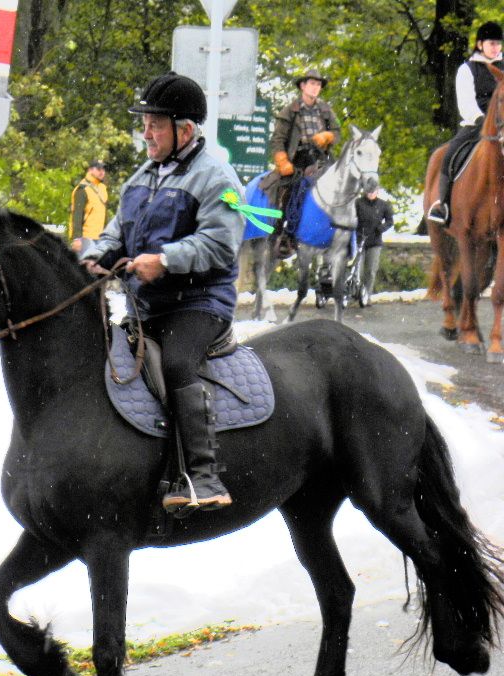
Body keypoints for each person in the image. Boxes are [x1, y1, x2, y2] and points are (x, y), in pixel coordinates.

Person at [81, 72, 244, 514]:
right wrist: (96, 256)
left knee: (175, 363)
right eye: (146, 123)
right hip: (145, 302)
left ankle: (203, 475)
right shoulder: (143, 176)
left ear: (184, 130)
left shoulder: (218, 178)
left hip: (199, 303)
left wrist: (166, 260)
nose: (146, 133)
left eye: (155, 124)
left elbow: (219, 243)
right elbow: (117, 231)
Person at [427, 21, 503, 224]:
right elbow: (466, 102)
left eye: (498, 43)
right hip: (476, 124)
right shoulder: (467, 69)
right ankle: (442, 204)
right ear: (480, 44)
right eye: (491, 43)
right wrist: (481, 120)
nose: (495, 47)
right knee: (450, 154)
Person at [260, 68, 341, 254]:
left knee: (344, 185)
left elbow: (337, 133)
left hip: (321, 157)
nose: (315, 88)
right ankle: (283, 233)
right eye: (312, 83)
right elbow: (278, 139)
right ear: (303, 86)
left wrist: (327, 136)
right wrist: (282, 160)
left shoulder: (325, 110)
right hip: (297, 159)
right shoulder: (290, 111)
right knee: (288, 191)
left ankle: (343, 233)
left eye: (318, 84)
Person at [355, 188, 394, 303]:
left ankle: (367, 295)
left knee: (371, 270)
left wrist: (381, 228)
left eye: (373, 191)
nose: (371, 193)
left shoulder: (383, 205)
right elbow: (351, 217)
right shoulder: (358, 203)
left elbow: (390, 221)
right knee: (358, 270)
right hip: (359, 240)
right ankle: (356, 293)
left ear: (377, 192)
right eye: (369, 191)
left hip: (375, 241)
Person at [69, 160, 108, 254]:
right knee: (85, 266)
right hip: (85, 237)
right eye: (98, 169)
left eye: (103, 169)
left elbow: (104, 215)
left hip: (100, 237)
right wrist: (76, 239)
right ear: (90, 170)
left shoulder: (102, 188)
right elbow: (77, 215)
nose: (102, 172)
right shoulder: (82, 189)